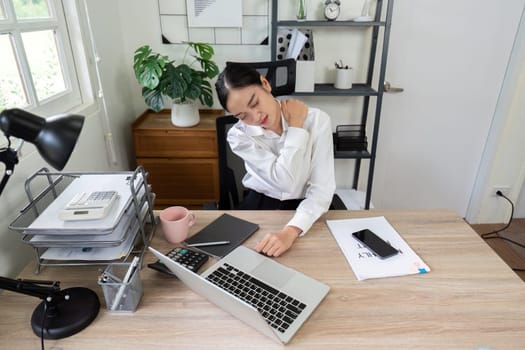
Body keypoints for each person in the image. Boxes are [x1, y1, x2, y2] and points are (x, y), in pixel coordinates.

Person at [215, 63, 336, 257]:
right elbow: (285, 182)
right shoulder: (238, 135)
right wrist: (296, 129)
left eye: (254, 103)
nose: (256, 117)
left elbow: (321, 190)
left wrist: (291, 231)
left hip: (309, 206)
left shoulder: (317, 120)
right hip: (261, 205)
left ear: (265, 84)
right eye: (242, 116)